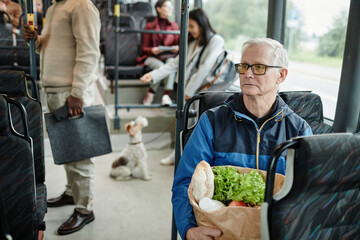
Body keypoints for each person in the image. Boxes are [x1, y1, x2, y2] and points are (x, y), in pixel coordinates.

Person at [171, 38, 313, 240]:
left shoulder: (299, 131)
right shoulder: (211, 121)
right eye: (244, 66)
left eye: (259, 67)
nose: (247, 73)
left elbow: (305, 196)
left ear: (281, 75)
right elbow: (185, 183)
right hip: (222, 232)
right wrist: (189, 230)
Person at [21, 0, 100, 235]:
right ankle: (71, 192)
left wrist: (77, 92)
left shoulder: (82, 5)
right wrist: (35, 40)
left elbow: (89, 50)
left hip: (71, 93)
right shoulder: (55, 8)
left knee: (80, 155)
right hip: (55, 90)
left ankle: (85, 210)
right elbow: (50, 48)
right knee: (66, 150)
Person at [138, 0, 180, 105]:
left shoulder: (174, 27)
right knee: (160, 66)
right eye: (167, 6)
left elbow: (180, 45)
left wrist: (176, 48)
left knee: (171, 63)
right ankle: (151, 94)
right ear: (158, 9)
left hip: (169, 56)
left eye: (171, 6)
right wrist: (153, 50)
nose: (170, 9)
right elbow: (144, 48)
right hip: (152, 57)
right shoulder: (150, 26)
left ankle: (166, 95)